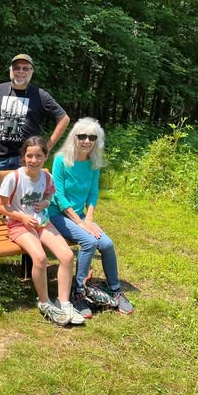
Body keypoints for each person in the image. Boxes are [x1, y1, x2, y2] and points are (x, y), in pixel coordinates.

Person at [0, 136, 84, 326]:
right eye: (29, 156)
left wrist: (45, 202)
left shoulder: (46, 177)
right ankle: (45, 302)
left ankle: (64, 302)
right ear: (23, 156)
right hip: (19, 225)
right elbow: (0, 207)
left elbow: (50, 194)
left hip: (42, 222)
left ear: (46, 157)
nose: (34, 160)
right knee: (41, 258)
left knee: (67, 256)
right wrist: (22, 217)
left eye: (38, 156)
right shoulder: (14, 178)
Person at [49, 118, 133, 317]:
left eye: (92, 137)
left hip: (79, 215)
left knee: (107, 244)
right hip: (57, 214)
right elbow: (59, 196)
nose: (86, 141)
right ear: (74, 137)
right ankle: (78, 292)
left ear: (97, 141)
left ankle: (115, 290)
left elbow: (93, 194)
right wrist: (80, 223)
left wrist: (89, 218)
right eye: (82, 136)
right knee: (89, 242)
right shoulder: (61, 160)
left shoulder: (94, 163)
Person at [0, 53, 70, 171]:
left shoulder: (40, 95)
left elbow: (64, 118)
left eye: (25, 69)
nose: (20, 72)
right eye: (16, 68)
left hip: (26, 160)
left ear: (32, 72)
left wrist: (47, 147)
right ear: (10, 70)